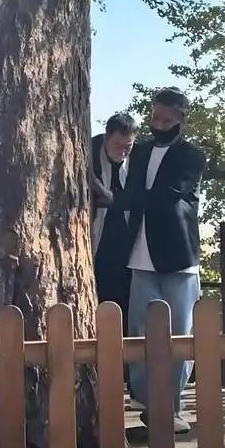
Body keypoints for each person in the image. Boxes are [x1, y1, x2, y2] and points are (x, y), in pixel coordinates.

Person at [94, 87, 205, 434]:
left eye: (166, 120)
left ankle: (172, 405)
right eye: (155, 118)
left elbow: (167, 196)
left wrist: (121, 198)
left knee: (179, 333)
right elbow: (126, 187)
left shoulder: (191, 156)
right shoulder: (139, 152)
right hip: (139, 257)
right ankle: (144, 401)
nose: (159, 124)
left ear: (181, 119)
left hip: (177, 257)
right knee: (140, 332)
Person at [91, 112, 138, 336]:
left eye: (127, 147)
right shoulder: (89, 152)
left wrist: (107, 195)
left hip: (127, 247)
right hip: (96, 243)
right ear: (107, 136)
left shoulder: (138, 158)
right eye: (117, 146)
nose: (122, 152)